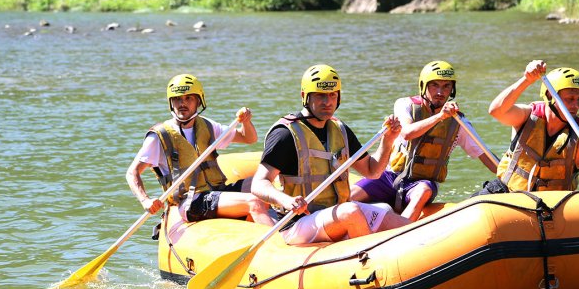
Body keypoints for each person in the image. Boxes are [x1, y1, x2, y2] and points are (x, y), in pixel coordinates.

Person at [251, 64, 411, 245]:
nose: (327, 102)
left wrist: (388, 140)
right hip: (298, 222)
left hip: (335, 212)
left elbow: (372, 171)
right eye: (320, 95)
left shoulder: (340, 129)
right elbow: (259, 184)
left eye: (332, 95)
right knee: (350, 212)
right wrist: (286, 200)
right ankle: (368, 261)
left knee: (401, 224)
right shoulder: (285, 134)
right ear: (305, 96)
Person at [350, 60, 498, 221]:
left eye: (446, 86)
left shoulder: (459, 122)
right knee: (350, 196)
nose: (440, 92)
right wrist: (440, 116)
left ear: (452, 89)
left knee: (424, 191)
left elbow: (485, 155)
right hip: (389, 176)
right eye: (434, 85)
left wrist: (510, 178)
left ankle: (399, 230)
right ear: (423, 86)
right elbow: (407, 132)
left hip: (422, 182)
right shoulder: (404, 105)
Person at [474, 60, 579, 202]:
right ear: (550, 96)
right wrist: (527, 80)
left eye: (578, 99)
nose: (575, 105)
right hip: (508, 193)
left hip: (553, 204)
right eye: (569, 99)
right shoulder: (527, 117)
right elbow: (496, 111)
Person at [126, 73, 271, 223]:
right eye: (177, 99)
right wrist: (145, 200)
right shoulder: (159, 136)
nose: (182, 103)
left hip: (217, 191)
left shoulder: (207, 126)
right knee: (253, 201)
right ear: (171, 102)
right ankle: (275, 244)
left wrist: (246, 122)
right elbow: (132, 172)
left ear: (199, 101)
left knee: (262, 184)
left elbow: (249, 138)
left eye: (188, 98)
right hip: (191, 201)